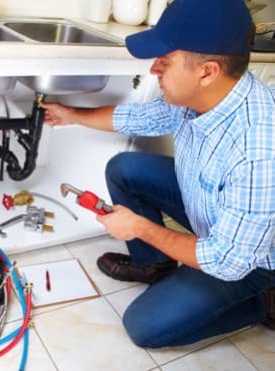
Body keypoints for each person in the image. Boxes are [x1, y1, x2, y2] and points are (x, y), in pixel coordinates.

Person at [41, 0, 275, 348]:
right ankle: (155, 266)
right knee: (125, 168)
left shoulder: (258, 148)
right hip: (211, 214)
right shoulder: (202, 95)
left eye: (165, 62)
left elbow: (228, 261)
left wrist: (141, 229)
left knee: (144, 327)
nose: (153, 69)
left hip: (249, 261)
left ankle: (261, 304)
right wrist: (70, 114)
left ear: (207, 71)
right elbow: (136, 118)